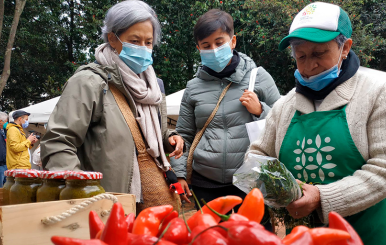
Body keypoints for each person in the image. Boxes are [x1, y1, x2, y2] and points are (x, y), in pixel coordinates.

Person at [246, 2, 386, 243]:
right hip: (298, 237)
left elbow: (382, 169)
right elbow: (256, 155)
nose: (309, 66)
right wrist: (274, 190)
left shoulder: (376, 93)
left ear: (345, 47)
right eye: (301, 56)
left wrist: (322, 196)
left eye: (319, 54)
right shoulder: (285, 105)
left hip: (362, 234)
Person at [41, 0, 185, 203]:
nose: (143, 48)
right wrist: (79, 192)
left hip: (157, 196)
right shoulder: (89, 82)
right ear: (112, 39)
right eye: (135, 41)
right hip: (109, 201)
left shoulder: (153, 86)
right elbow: (58, 142)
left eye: (148, 42)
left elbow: (146, 133)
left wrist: (170, 137)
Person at [170, 9, 281, 214]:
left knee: (252, 237)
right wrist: (180, 175)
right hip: (206, 181)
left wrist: (260, 110)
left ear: (233, 41)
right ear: (199, 48)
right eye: (206, 45)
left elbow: (284, 121)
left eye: (219, 42)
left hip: (250, 180)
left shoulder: (259, 77)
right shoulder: (193, 87)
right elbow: (183, 135)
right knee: (210, 237)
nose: (213, 49)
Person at [0, 112, 8, 186]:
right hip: (0, 164)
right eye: (5, 121)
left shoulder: (4, 132)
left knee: (6, 185)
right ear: (0, 121)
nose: (6, 123)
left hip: (6, 163)